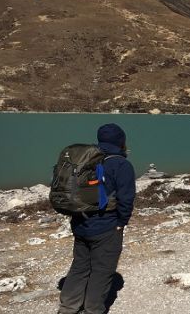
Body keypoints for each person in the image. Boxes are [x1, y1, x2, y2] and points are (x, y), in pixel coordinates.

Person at [58, 123, 136, 314]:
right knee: (102, 270)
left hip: (80, 223)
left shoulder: (85, 160)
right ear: (121, 142)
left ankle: (68, 307)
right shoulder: (120, 164)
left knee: (80, 266)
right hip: (106, 226)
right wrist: (121, 223)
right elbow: (126, 198)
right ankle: (93, 310)